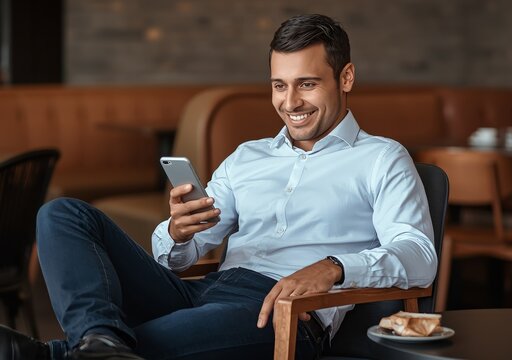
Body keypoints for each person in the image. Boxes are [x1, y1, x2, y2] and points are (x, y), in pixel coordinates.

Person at [0, 13, 437, 360]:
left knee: (141, 343)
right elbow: (177, 257)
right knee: (62, 213)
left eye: (307, 84)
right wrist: (178, 232)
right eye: (279, 86)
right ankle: (97, 342)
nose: (290, 102)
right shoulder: (248, 156)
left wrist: (334, 267)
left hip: (280, 314)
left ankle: (54, 353)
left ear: (345, 78)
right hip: (204, 291)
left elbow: (418, 256)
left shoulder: (382, 158)